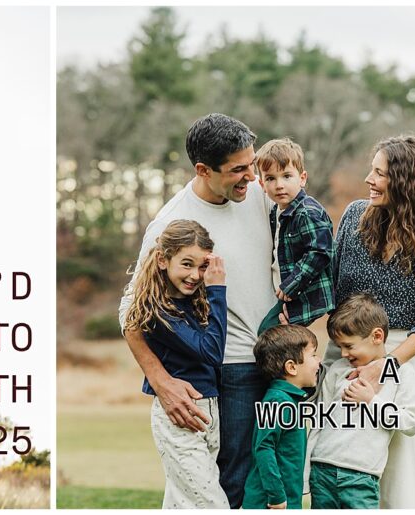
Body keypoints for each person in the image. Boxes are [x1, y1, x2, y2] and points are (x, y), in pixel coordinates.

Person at [118, 113, 276, 508]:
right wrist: (160, 380)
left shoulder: (260, 195)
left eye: (251, 164)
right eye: (238, 170)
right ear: (203, 170)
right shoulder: (170, 224)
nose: (251, 178)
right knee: (220, 488)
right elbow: (130, 312)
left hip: (267, 363)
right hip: (220, 371)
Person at [314, 134, 415, 509]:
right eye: (372, 170)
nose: (369, 179)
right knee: (336, 456)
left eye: (379, 173)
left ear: (407, 181)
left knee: (403, 478)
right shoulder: (353, 217)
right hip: (344, 352)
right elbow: (329, 283)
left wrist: (384, 367)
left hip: (402, 359)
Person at [123, 220, 229, 508]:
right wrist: (218, 289)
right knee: (212, 505)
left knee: (182, 502)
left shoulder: (189, 302)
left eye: (202, 266)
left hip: (208, 411)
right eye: (186, 264)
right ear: (162, 260)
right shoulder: (158, 312)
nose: (195, 275)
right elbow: (211, 351)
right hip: (180, 417)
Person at [309, 294, 415, 509]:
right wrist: (306, 471)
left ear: (377, 336)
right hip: (321, 471)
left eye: (349, 346)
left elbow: (411, 423)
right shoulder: (338, 370)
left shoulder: (403, 375)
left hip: (361, 477)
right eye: (339, 346)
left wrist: (371, 400)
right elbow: (318, 421)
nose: (343, 353)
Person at [254, 138, 335, 335]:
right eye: (271, 178)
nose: (279, 185)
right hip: (285, 292)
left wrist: (292, 284)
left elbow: (320, 252)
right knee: (281, 341)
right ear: (261, 184)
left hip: (304, 294)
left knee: (267, 333)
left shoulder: (307, 211)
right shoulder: (277, 211)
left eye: (287, 176)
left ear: (302, 178)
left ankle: (310, 365)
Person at [242, 325, 320, 510]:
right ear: (292, 367)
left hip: (286, 501)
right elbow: (263, 448)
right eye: (314, 355)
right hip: (270, 503)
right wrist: (276, 495)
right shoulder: (278, 401)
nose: (319, 362)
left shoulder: (290, 401)